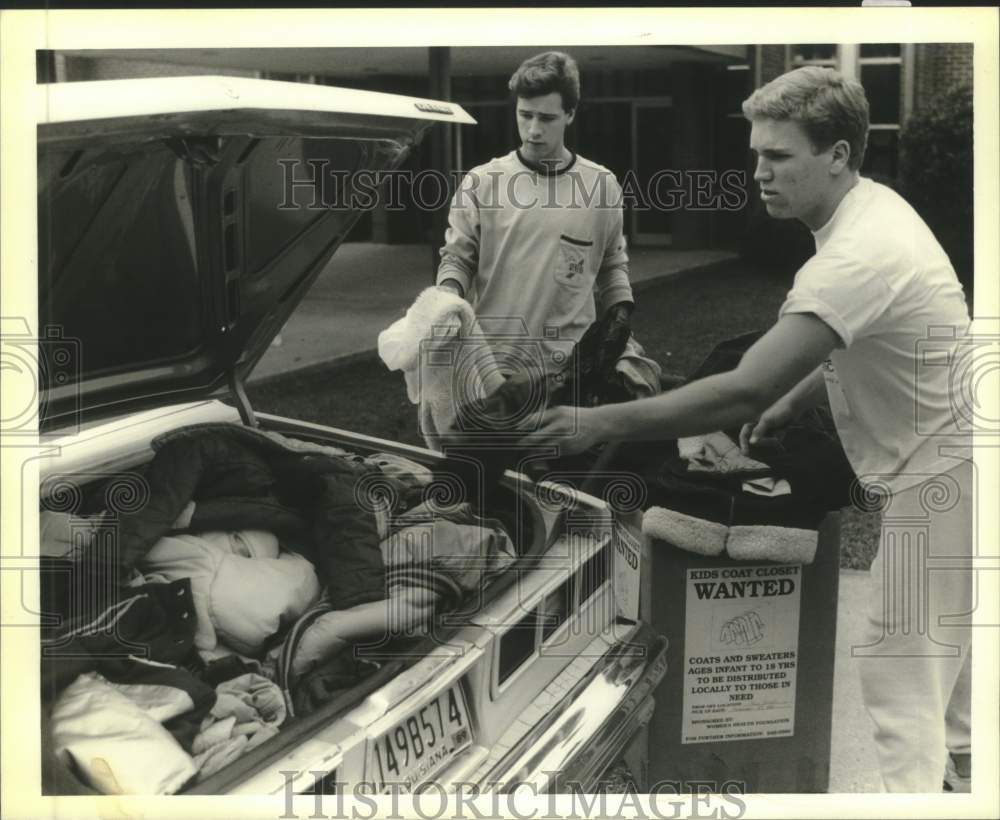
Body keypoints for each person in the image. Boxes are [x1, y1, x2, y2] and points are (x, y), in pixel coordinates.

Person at [525, 66, 974, 793]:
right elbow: (846, 342)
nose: (758, 172)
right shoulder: (870, 212)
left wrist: (592, 422)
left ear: (838, 155)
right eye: (757, 152)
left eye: (780, 156)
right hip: (959, 462)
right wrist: (796, 402)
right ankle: (963, 782)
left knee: (902, 683)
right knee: (955, 696)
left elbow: (741, 386)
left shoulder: (859, 253)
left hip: (951, 477)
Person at [436, 51, 635, 398]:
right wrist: (446, 298)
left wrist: (620, 311)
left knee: (568, 453)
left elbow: (612, 263)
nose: (533, 130)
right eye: (525, 115)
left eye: (547, 118)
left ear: (570, 114)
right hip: (495, 366)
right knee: (495, 453)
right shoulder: (482, 182)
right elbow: (457, 258)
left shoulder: (601, 185)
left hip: (569, 369)